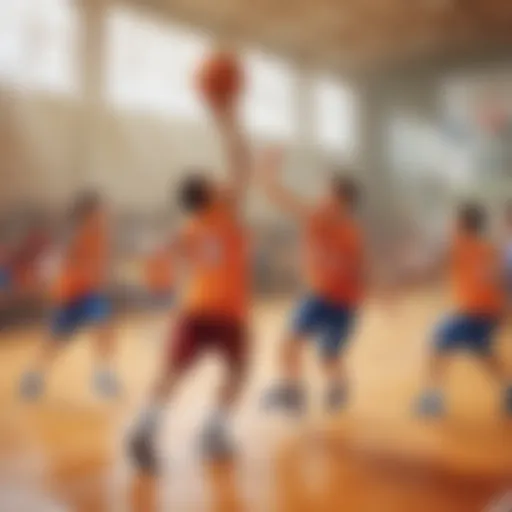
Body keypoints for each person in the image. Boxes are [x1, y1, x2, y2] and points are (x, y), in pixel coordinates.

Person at [129, 104, 251, 470]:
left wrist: (156, 264)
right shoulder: (223, 213)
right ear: (210, 194)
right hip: (227, 312)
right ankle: (213, 430)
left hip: (195, 309)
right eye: (212, 179)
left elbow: (164, 260)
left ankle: (145, 428)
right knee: (238, 370)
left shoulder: (190, 225)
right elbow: (241, 163)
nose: (220, 179)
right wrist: (227, 117)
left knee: (172, 372)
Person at [260, 148, 365, 414]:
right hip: (331, 299)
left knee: (315, 351)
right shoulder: (333, 223)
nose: (323, 196)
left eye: (329, 192)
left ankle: (317, 391)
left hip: (335, 301)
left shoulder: (340, 228)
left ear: (342, 199)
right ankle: (311, 392)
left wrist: (270, 174)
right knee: (304, 347)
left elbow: (282, 198)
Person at [19, 190, 120, 399]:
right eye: (101, 210)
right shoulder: (78, 235)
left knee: (104, 326)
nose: (106, 214)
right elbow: (56, 259)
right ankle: (34, 375)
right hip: (69, 296)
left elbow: (100, 264)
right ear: (89, 213)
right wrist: (44, 275)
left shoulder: (102, 234)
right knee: (55, 340)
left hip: (90, 294)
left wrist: (101, 277)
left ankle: (103, 374)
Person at [415, 202, 512, 416]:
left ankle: (432, 398)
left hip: (471, 311)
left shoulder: (459, 244)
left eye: (453, 220)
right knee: (483, 352)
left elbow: (431, 267)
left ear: (461, 223)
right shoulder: (489, 248)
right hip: (489, 312)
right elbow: (501, 280)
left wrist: (406, 276)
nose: (451, 224)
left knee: (438, 343)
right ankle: (508, 391)